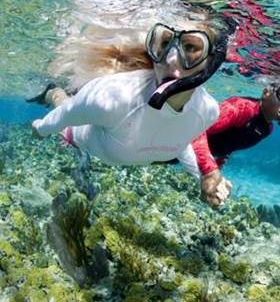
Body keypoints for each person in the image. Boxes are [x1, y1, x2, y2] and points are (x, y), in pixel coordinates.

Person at [30, 19, 234, 207]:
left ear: (211, 61)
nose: (171, 59)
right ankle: (53, 91)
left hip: (121, 146)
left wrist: (204, 177)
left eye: (190, 47)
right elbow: (66, 113)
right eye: (164, 45)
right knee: (62, 101)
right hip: (82, 135)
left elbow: (181, 139)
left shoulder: (208, 111)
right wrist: (40, 129)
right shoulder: (111, 99)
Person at [191, 82, 280, 185]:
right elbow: (196, 132)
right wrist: (210, 172)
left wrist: (217, 167)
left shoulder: (267, 129)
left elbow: (231, 143)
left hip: (193, 155)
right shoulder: (241, 108)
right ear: (266, 93)